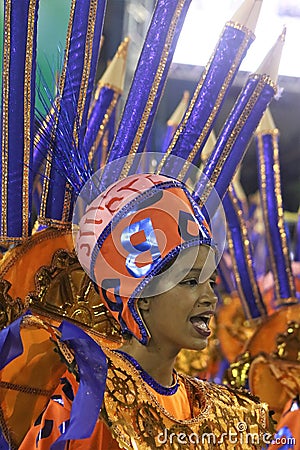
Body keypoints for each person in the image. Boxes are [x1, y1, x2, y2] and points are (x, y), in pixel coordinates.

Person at [9, 173, 273, 450]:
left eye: (211, 282)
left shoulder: (225, 412)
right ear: (142, 296)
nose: (210, 298)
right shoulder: (92, 399)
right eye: (191, 281)